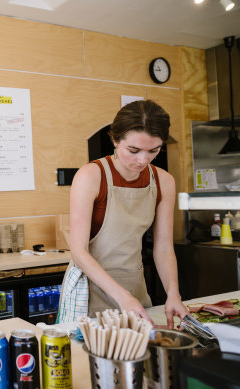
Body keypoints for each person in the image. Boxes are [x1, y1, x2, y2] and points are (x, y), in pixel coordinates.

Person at [65, 100, 188, 328]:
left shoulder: (164, 181)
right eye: (133, 150)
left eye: (153, 150)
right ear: (114, 139)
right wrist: (122, 297)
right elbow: (79, 252)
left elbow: (163, 248)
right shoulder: (91, 176)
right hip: (91, 290)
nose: (143, 160)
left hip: (135, 288)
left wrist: (173, 294)